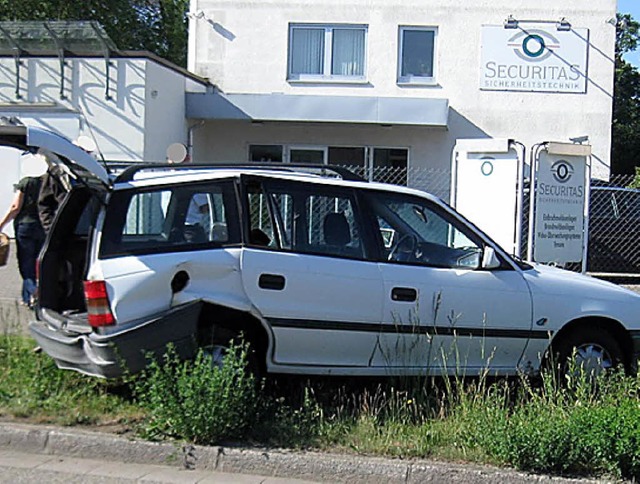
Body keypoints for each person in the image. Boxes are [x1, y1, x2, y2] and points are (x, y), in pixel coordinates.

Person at [0, 174, 46, 307]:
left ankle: (34, 291)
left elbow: (15, 207)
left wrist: (1, 224)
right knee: (37, 263)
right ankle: (26, 298)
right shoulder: (48, 184)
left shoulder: (26, 182)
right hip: (41, 227)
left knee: (26, 264)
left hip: (25, 227)